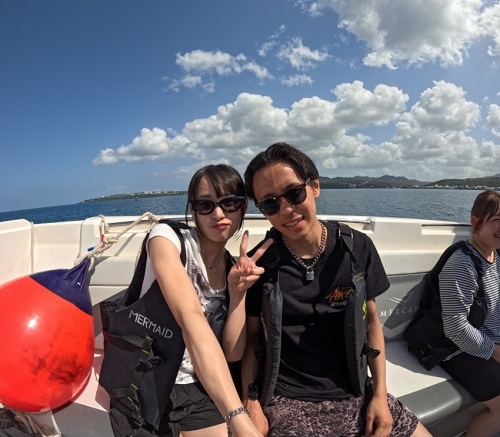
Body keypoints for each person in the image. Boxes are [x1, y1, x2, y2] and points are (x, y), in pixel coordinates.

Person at [241, 142, 431, 437]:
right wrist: (250, 403)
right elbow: (252, 340)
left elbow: (372, 323)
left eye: (294, 193)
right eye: (270, 203)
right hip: (289, 399)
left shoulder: (356, 248)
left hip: (355, 390)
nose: (287, 210)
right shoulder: (260, 264)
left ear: (315, 186)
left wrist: (380, 395)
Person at [107, 164, 271, 437]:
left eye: (229, 203)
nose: (218, 214)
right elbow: (191, 319)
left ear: (243, 207)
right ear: (193, 211)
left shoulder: (232, 268)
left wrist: (238, 293)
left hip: (199, 386)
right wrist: (238, 418)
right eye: (205, 205)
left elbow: (232, 353)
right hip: (145, 380)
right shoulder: (167, 239)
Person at [437, 189, 500, 437]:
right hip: (459, 348)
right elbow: (455, 327)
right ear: (475, 221)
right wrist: (496, 351)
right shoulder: (462, 264)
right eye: (496, 220)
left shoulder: (495, 255)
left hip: (489, 340)